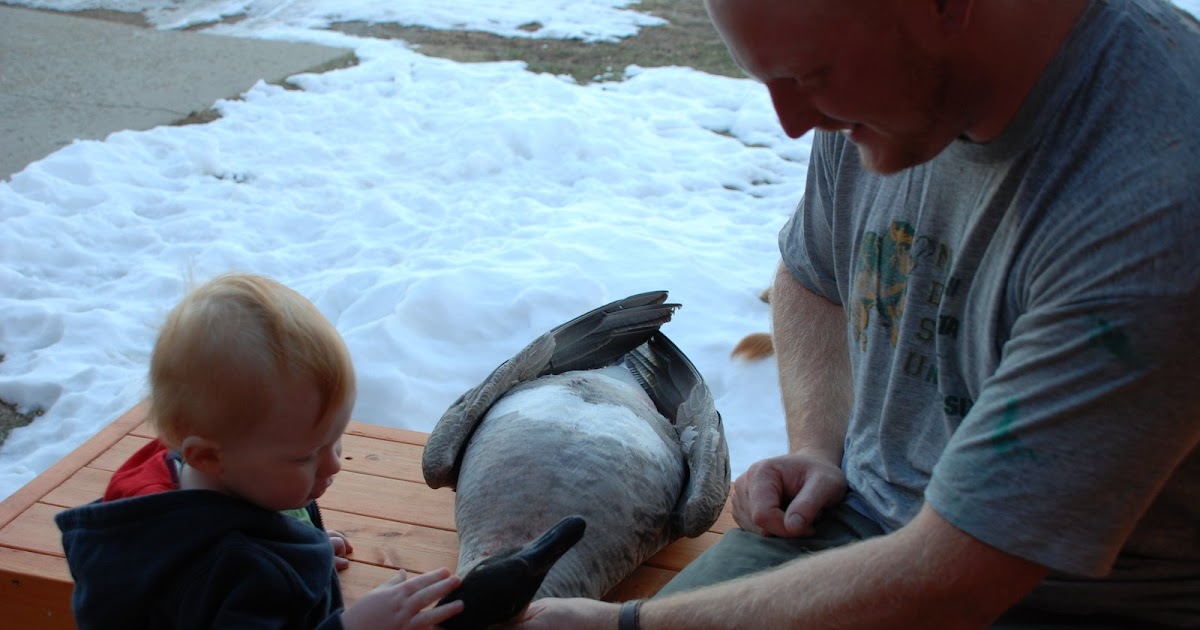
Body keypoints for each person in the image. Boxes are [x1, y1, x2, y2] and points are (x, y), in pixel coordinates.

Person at [512, 0, 1200, 628]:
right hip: (865, 520)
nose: (791, 121)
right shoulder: (881, 90)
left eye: (810, 74)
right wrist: (819, 444)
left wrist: (628, 627)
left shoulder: (1154, 200)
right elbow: (815, 277)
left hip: (1072, 595)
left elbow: (960, 579)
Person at [55, 273, 465, 629]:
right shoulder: (234, 572)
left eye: (336, 439)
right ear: (210, 458)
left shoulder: (188, 480)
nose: (334, 463)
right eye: (305, 456)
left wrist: (301, 543)